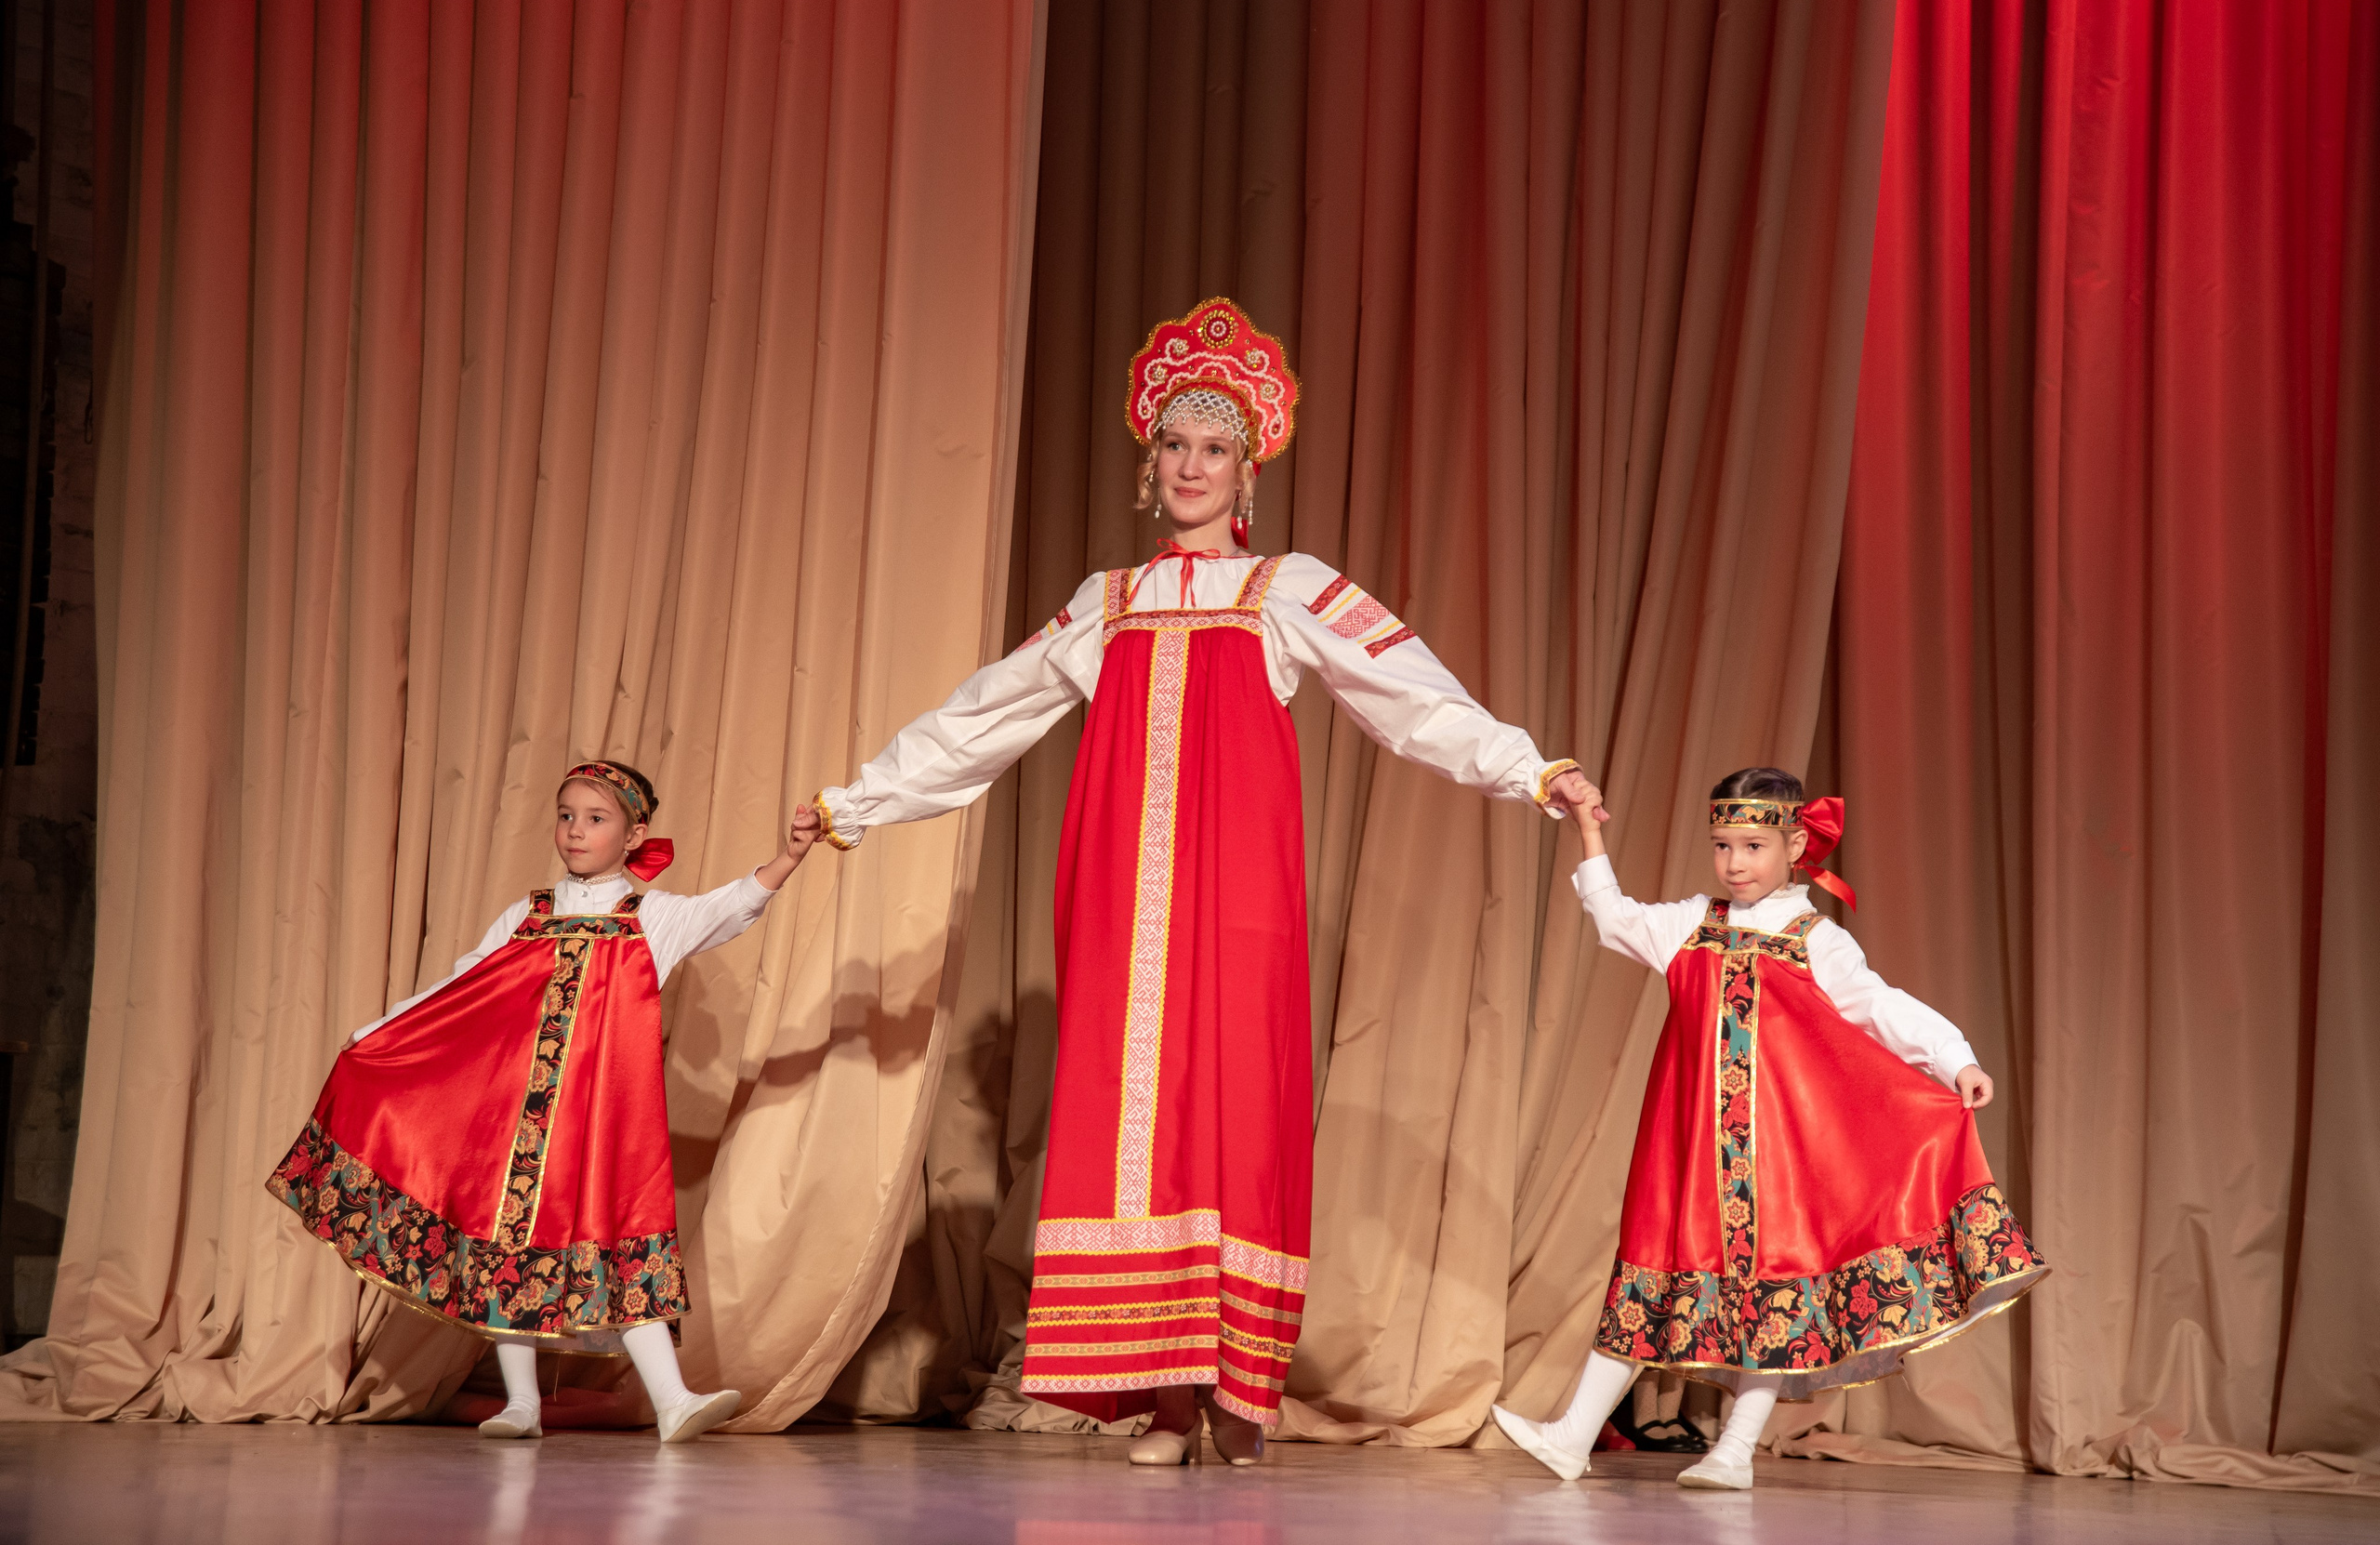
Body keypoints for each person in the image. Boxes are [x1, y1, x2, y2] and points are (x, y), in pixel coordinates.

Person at [813, 298, 1594, 1466]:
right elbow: (989, 710)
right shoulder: (1105, 600)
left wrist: (1527, 766)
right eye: (1174, 445)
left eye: (1213, 447)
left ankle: (1238, 1384)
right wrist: (862, 798)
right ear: (1150, 465)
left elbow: (1407, 693)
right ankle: (1162, 1396)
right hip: (1121, 886)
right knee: (1132, 1111)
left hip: (1233, 889)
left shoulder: (1286, 587)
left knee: (1231, 1098)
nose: (1190, 465)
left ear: (1245, 472)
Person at [1492, 768, 2047, 1488]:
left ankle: (1734, 1450)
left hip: (1778, 1156)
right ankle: (1572, 1434)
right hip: (1688, 1148)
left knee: (1773, 1288)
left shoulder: (1813, 937)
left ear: (1794, 845)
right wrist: (1588, 829)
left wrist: (1954, 1056)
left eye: (1753, 845)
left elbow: (1881, 1006)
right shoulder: (1693, 923)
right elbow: (1613, 916)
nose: (1735, 863)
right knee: (1648, 1267)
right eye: (1723, 845)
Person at [268, 760, 820, 1442]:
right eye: (566, 815)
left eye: (595, 818)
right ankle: (521, 1402)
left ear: (633, 833)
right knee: (510, 1236)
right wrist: (384, 1029)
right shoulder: (526, 916)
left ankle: (673, 1397)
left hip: (598, 1124)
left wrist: (790, 856)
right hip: (517, 1125)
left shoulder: (651, 917)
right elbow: (460, 985)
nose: (575, 830)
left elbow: (730, 906)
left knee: (618, 1230)